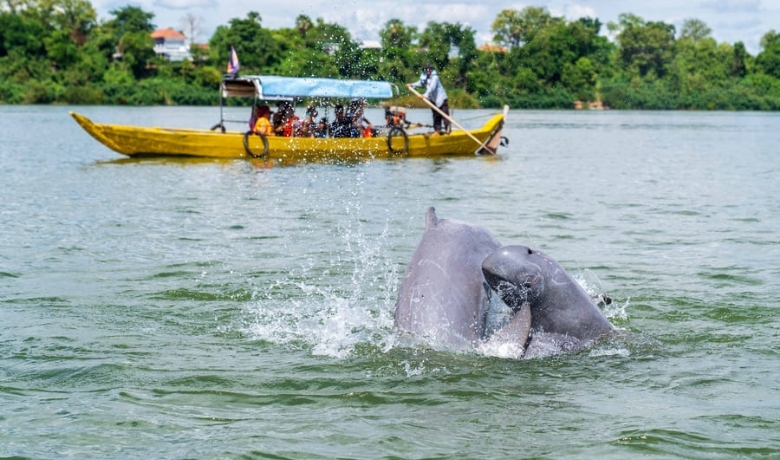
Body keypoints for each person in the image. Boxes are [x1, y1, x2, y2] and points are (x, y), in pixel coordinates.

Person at [407, 63, 450, 135]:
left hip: (441, 99)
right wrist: (412, 84)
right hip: (433, 100)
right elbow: (420, 83)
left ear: (431, 70)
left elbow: (431, 88)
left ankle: (448, 131)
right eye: (426, 69)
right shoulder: (425, 77)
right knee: (436, 116)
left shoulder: (435, 78)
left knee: (445, 116)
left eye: (429, 69)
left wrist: (424, 95)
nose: (427, 71)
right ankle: (437, 131)